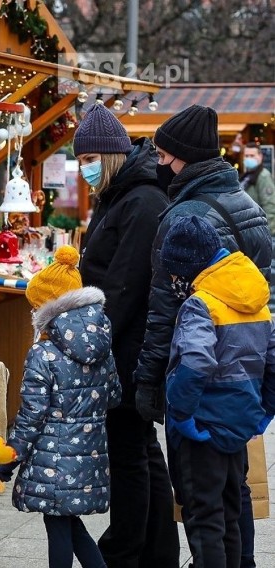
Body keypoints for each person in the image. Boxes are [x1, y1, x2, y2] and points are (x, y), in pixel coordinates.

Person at [133, 104, 272, 567]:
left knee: (202, 501)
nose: (157, 161)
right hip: (243, 382)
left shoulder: (187, 217)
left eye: (162, 152)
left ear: (182, 157)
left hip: (200, 387)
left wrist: (151, 385)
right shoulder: (247, 204)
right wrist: (264, 396)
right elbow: (263, 299)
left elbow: (164, 310)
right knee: (235, 493)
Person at [73, 103, 179, 567]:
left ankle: (124, 550)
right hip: (124, 343)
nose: (84, 169)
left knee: (130, 456)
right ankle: (157, 552)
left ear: (111, 156)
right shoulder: (121, 195)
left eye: (88, 159)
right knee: (142, 451)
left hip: (129, 348)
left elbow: (125, 284)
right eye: (79, 161)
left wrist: (92, 341)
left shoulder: (140, 200)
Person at [158, 216, 275, 567]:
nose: (175, 281)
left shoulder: (202, 303)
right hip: (240, 423)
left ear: (188, 268)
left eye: (176, 273)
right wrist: (264, 411)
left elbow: (195, 361)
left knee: (204, 515)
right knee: (231, 507)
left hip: (203, 426)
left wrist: (181, 415)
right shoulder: (255, 298)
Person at [0, 246, 121, 568]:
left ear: (47, 309)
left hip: (52, 458)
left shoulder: (44, 354)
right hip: (90, 451)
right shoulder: (102, 345)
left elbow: (31, 417)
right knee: (68, 524)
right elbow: (114, 396)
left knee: (58, 527)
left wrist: (10, 459)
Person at [240, 142, 275, 311]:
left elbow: (270, 208)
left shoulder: (263, 176)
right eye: (246, 156)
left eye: (252, 156)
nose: (249, 159)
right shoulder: (247, 176)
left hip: (262, 237)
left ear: (260, 157)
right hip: (253, 237)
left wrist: (266, 236)